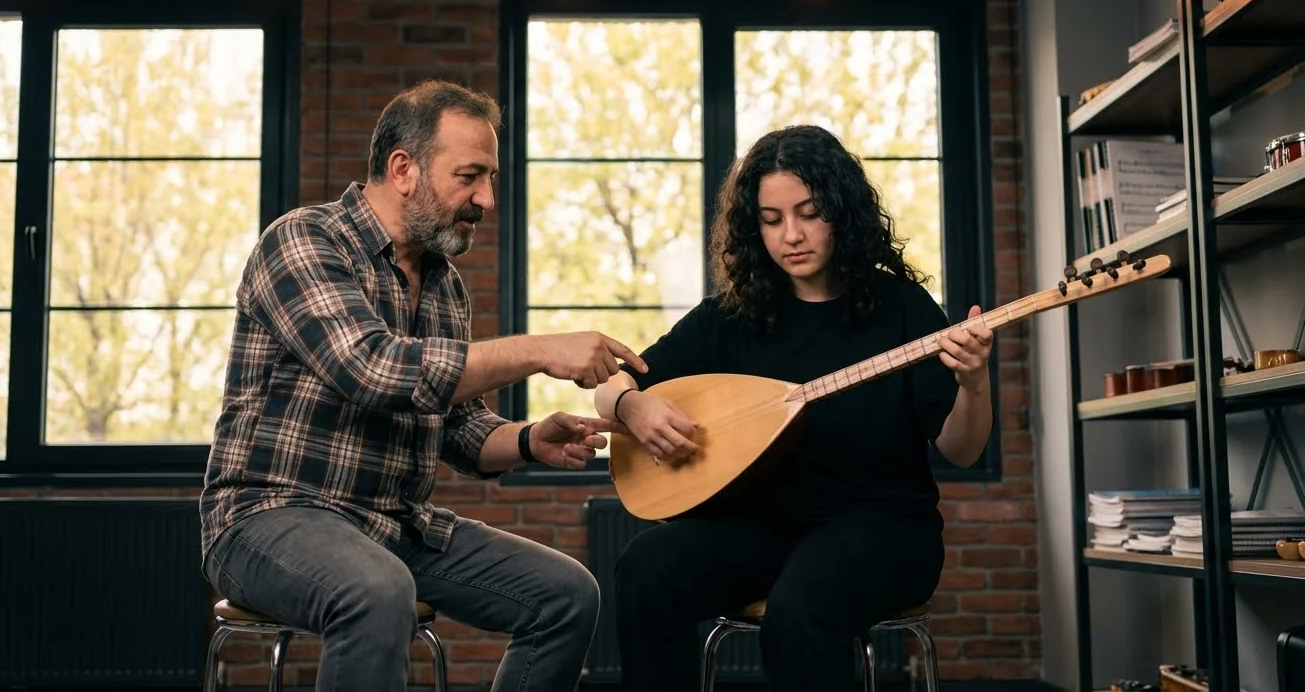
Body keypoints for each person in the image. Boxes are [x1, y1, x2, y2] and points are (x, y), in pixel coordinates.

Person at [199, 79, 649, 692]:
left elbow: (457, 427)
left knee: (567, 595)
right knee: (378, 591)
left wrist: (527, 440)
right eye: (470, 176)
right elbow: (374, 370)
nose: (487, 199)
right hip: (268, 518)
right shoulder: (304, 240)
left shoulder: (444, 286)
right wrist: (542, 349)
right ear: (403, 168)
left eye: (491, 179)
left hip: (393, 525)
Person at [593, 124, 995, 692]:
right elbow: (609, 384)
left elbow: (962, 447)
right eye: (772, 219)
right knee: (646, 567)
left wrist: (973, 382)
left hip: (882, 529)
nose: (792, 236)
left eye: (809, 212)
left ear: (842, 212)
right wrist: (632, 406)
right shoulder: (734, 315)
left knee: (800, 609)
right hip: (764, 527)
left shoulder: (900, 309)